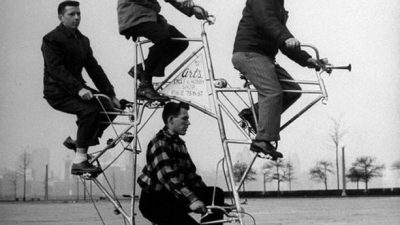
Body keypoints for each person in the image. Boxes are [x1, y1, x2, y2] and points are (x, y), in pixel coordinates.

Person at [231, 0, 327, 160]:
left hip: (264, 56)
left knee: (292, 90)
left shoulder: (277, 5)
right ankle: (262, 140)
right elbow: (266, 19)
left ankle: (253, 116)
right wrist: (286, 37)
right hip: (250, 53)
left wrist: (307, 59)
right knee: (272, 92)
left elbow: (280, 40)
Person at [41, 1, 121, 175]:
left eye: (79, 14)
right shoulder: (51, 39)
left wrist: (110, 94)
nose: (77, 17)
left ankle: (80, 143)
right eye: (71, 14)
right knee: (90, 111)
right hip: (57, 92)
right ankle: (79, 161)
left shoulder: (82, 40)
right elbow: (56, 69)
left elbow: (94, 68)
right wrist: (79, 89)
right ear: (61, 17)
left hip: (77, 89)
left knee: (112, 108)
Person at [138, 102, 225, 225]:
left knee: (217, 193)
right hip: (156, 202)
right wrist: (193, 201)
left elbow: (192, 176)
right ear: (171, 120)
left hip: (172, 197)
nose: (188, 123)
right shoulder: (159, 143)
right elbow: (167, 177)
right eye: (185, 118)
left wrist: (218, 205)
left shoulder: (179, 144)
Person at [117, 0, 209, 101]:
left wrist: (191, 8)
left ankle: (141, 69)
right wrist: (192, 7)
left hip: (149, 15)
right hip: (135, 15)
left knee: (181, 42)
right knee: (163, 39)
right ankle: (145, 85)